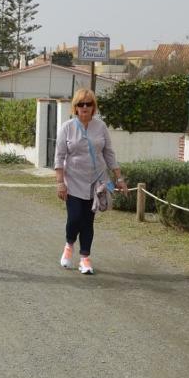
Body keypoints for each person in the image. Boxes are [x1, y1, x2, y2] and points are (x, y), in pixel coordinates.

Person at [54, 88, 126, 275]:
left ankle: (85, 257)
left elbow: (109, 153)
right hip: (74, 180)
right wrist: (60, 183)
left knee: (88, 221)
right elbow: (59, 157)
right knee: (75, 217)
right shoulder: (67, 127)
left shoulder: (100, 127)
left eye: (88, 104)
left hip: (97, 181)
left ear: (93, 107)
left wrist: (119, 178)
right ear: (75, 107)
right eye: (80, 104)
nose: (84, 107)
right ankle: (69, 244)